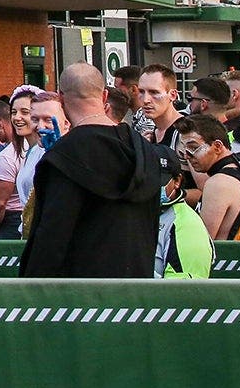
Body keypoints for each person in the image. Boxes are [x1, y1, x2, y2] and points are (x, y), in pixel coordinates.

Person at [20, 64, 165, 278]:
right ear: (104, 95)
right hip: (136, 282)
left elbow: (52, 235)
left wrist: (32, 283)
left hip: (79, 289)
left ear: (61, 98)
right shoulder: (144, 150)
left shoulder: (64, 157)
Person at [179, 113, 240, 241]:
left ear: (217, 146)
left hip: (227, 254)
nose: (187, 156)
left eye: (193, 148)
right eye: (184, 149)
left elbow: (202, 242)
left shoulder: (218, 183)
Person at [0, 87, 42, 241]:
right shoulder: (27, 151)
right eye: (14, 112)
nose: (17, 118)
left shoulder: (43, 151)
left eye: (25, 112)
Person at [154, 152, 212, 279]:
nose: (151, 188)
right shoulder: (131, 214)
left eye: (158, 182)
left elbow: (184, 288)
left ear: (177, 181)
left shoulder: (186, 224)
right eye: (146, 181)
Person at [136, 66, 186, 152]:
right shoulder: (151, 134)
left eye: (154, 92)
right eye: (141, 91)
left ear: (172, 95)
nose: (145, 100)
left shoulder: (186, 133)